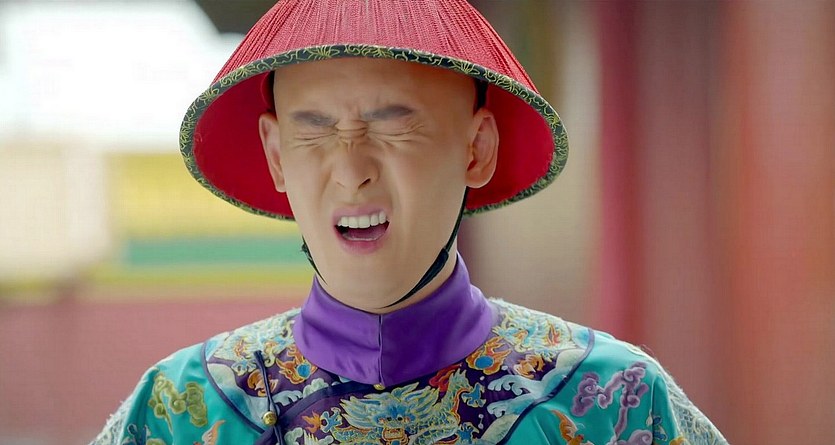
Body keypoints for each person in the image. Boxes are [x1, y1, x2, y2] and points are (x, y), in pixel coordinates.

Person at [92, 1, 728, 444]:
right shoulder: (180, 412)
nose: (352, 171)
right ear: (277, 156)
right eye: (315, 133)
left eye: (393, 127)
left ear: (476, 148)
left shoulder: (612, 402)